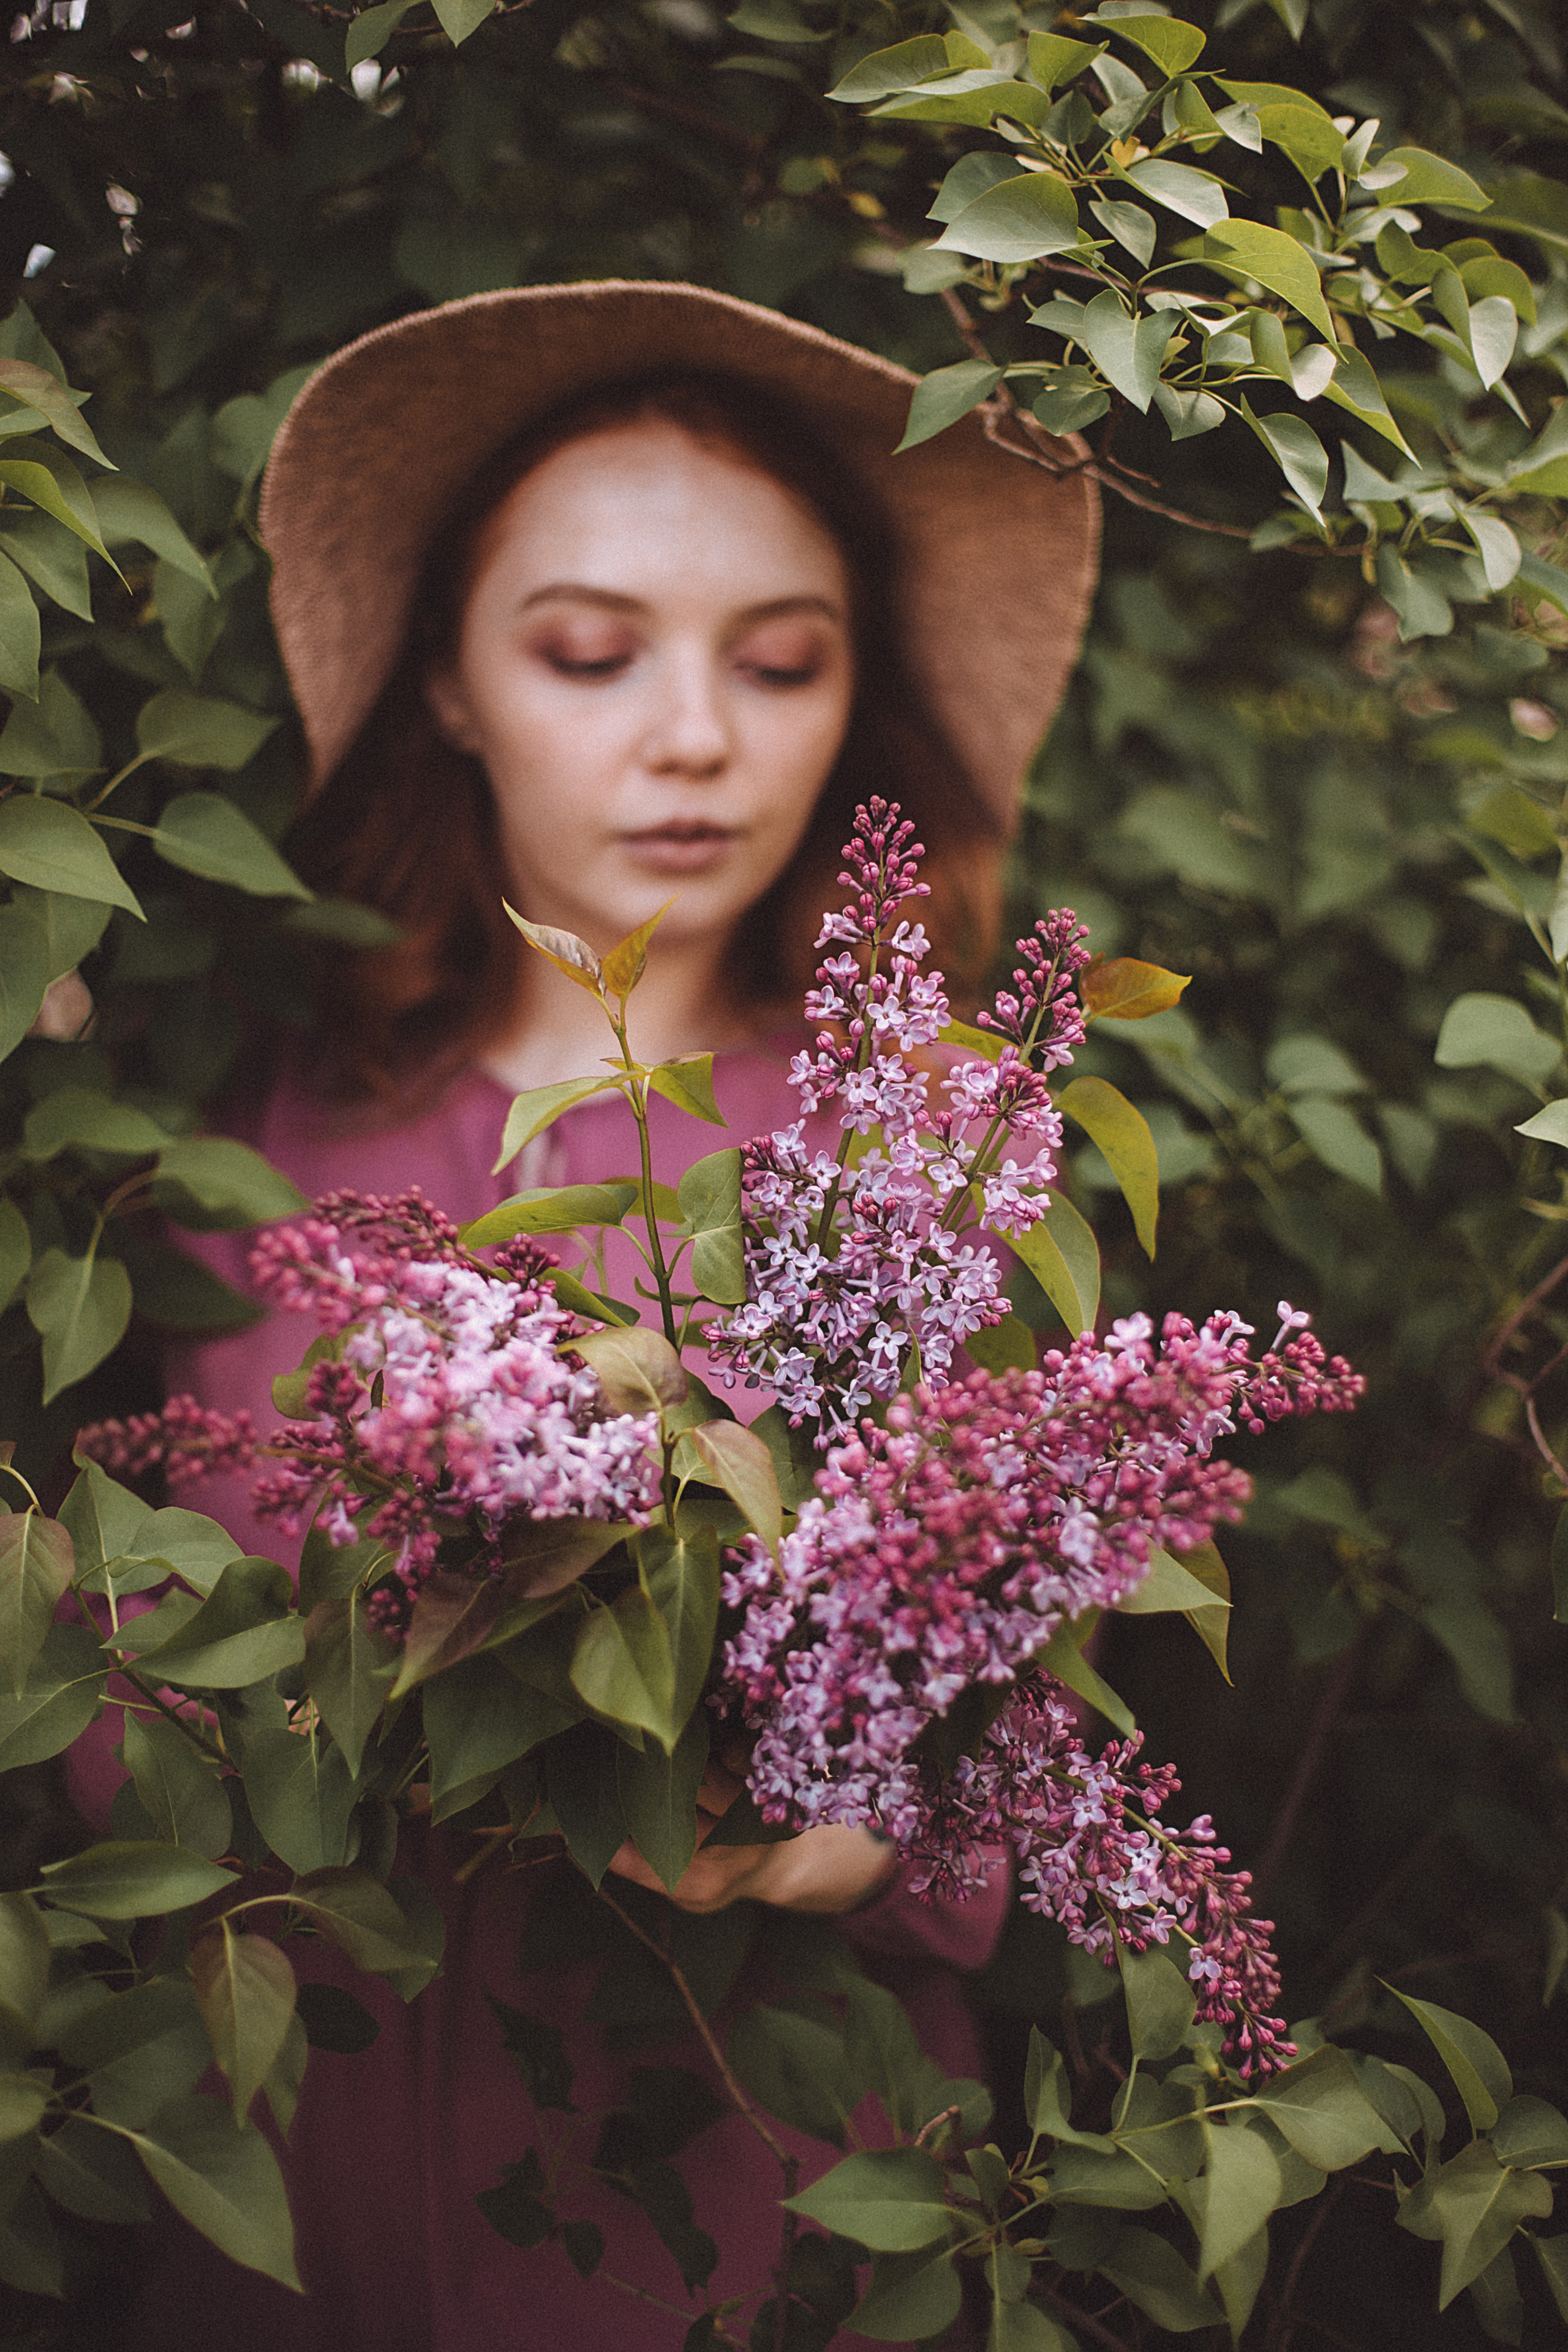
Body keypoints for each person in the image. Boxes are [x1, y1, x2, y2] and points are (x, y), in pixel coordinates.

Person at [74, 281, 1099, 2349]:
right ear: (453, 683)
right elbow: (124, 1716)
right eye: (586, 651)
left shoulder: (938, 1143)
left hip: (769, 2164)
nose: (697, 737)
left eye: (783, 662)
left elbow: (1035, 1693)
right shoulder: (252, 1145)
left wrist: (863, 1842)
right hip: (333, 2155)